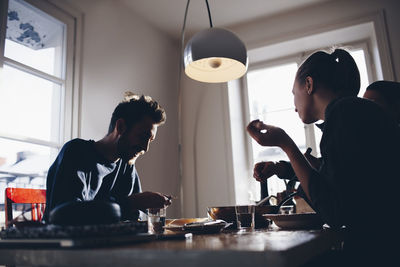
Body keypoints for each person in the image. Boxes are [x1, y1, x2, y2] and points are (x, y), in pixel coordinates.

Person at [247, 49, 399, 265]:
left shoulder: (343, 113)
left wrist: (286, 144)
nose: (294, 106)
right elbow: (334, 173)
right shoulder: (350, 110)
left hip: (380, 251)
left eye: (294, 93)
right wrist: (282, 168)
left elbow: (335, 213)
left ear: (308, 84)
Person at [44, 92, 172, 223]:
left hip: (109, 243)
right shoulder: (76, 152)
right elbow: (66, 216)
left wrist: (149, 205)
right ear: (121, 127)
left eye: (150, 140)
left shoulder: (127, 166)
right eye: (142, 136)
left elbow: (137, 218)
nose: (145, 148)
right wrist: (131, 203)